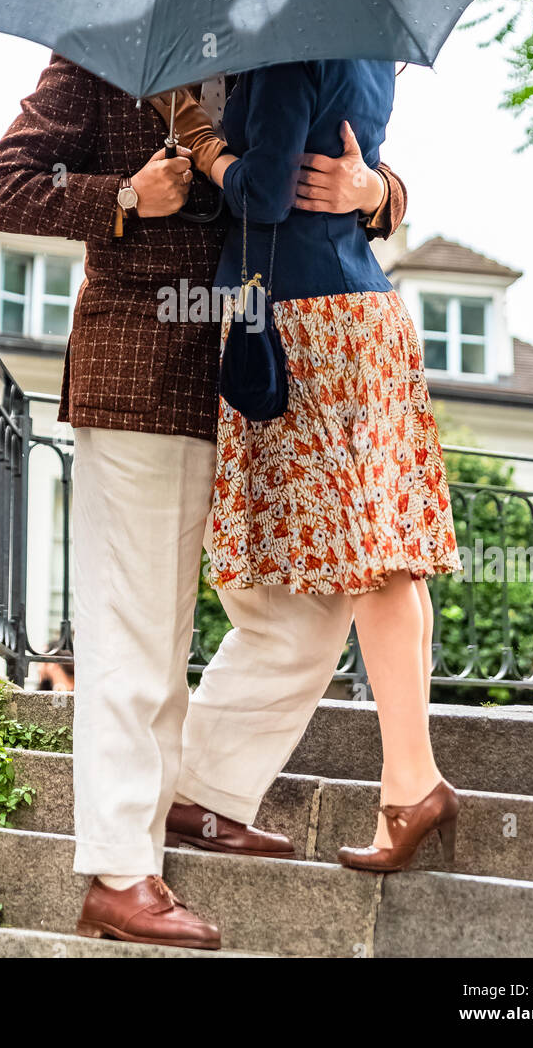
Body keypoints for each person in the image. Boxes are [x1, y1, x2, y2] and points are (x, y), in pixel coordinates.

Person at [0, 55, 407, 949]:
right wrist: (124, 199)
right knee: (137, 633)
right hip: (140, 371)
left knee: (310, 606)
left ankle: (202, 794)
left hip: (273, 374)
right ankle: (120, 872)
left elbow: (343, 161)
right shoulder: (102, 49)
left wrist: (379, 191)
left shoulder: (290, 36)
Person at [201, 59, 461, 873]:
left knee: (373, 565)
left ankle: (412, 784)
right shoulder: (367, 51)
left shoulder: (290, 52)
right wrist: (375, 190)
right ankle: (406, 784)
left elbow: (263, 194)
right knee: (389, 561)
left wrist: (208, 153)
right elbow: (352, 164)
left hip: (306, 320)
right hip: (361, 312)